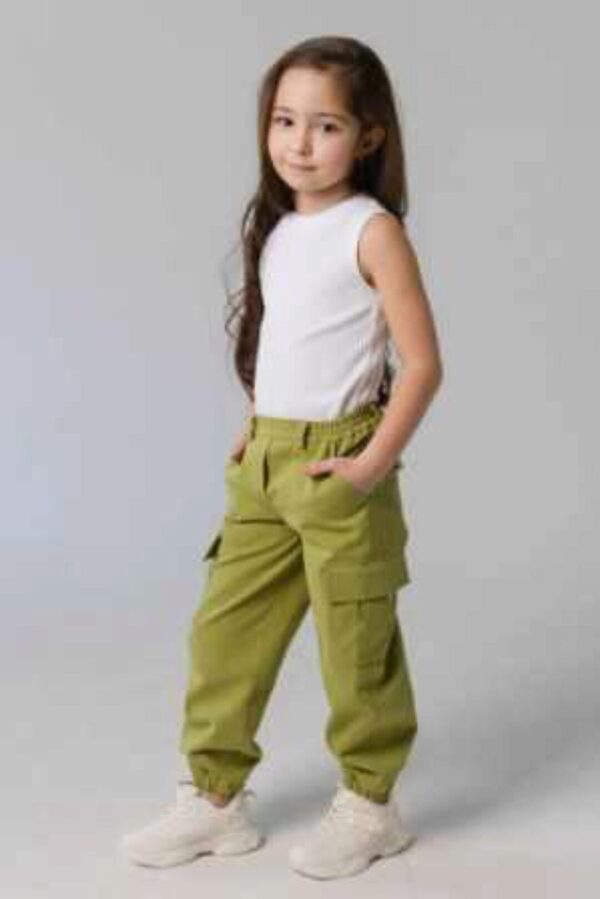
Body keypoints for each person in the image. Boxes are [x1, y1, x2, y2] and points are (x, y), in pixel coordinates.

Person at [119, 33, 443, 880]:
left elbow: (422, 364)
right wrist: (256, 418)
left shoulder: (372, 231)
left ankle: (371, 805)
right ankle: (214, 798)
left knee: (355, 645)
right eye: (284, 121)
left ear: (369, 136)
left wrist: (369, 466)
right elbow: (291, 336)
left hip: (341, 467)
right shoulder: (278, 228)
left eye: (326, 125)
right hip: (266, 464)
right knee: (224, 633)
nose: (300, 143)